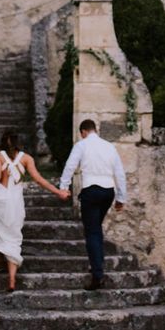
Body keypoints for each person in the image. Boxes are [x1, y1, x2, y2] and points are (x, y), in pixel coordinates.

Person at [0, 131, 69, 292]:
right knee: (12, 238)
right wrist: (58, 192)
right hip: (15, 202)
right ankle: (11, 279)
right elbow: (38, 179)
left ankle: (0, 261)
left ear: (3, 142)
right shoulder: (26, 158)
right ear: (19, 142)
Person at [59, 119, 127, 291]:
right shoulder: (109, 146)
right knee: (96, 227)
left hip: (91, 191)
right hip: (108, 192)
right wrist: (121, 197)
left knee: (92, 231)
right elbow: (119, 172)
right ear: (95, 130)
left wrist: (64, 187)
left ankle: (98, 274)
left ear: (83, 131)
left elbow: (70, 166)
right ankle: (97, 263)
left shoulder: (81, 145)